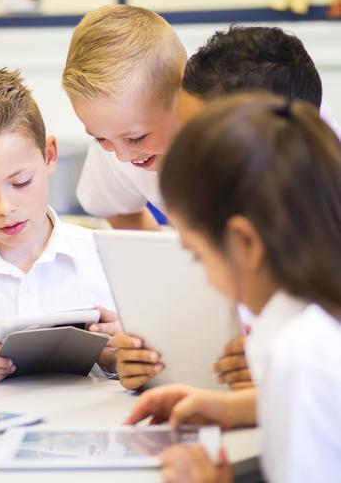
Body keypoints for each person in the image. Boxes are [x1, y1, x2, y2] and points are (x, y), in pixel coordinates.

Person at [63, 10, 336, 389]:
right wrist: (155, 332)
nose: (122, 156)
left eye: (138, 138)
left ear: (181, 88)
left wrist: (275, 348)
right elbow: (126, 219)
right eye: (102, 140)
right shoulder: (119, 132)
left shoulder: (291, 144)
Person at [125, 93, 341, 482]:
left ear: (245, 243)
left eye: (198, 255)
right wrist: (238, 408)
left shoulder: (301, 354)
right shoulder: (316, 325)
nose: (205, 278)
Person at [0, 68, 128, 386]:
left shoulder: (113, 262)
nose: (5, 208)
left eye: (21, 182)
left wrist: (122, 359)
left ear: (49, 155)